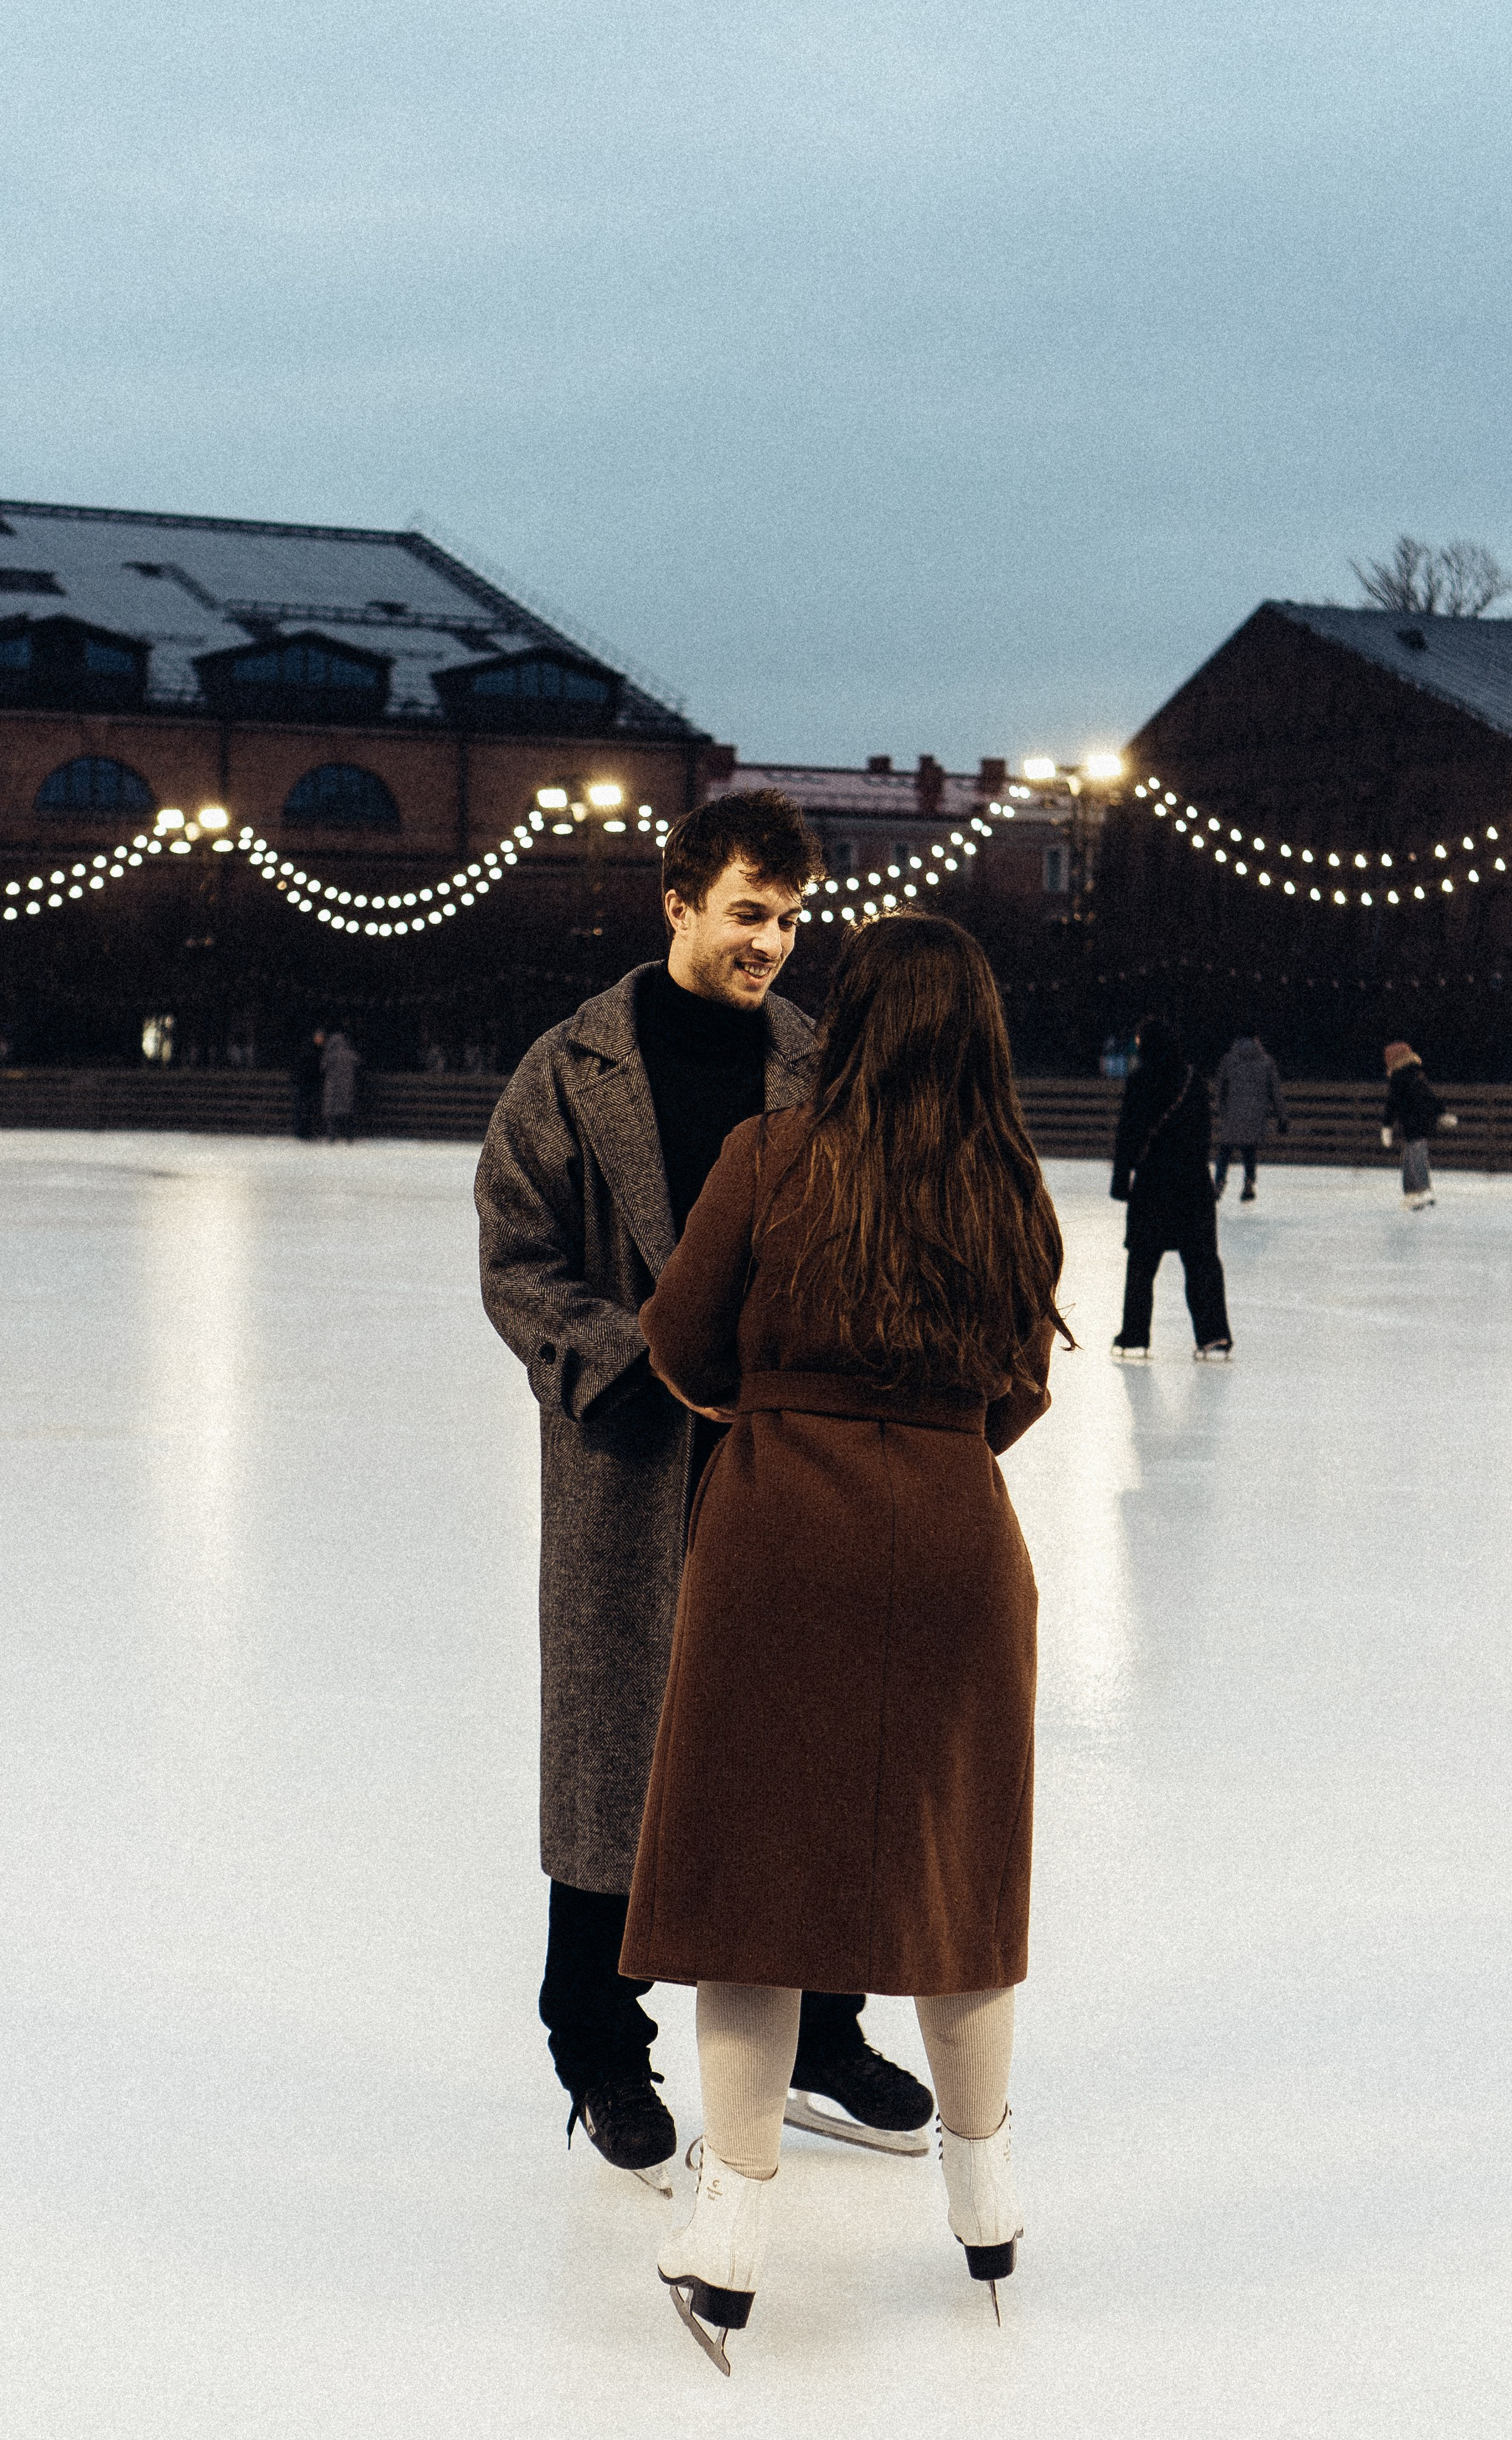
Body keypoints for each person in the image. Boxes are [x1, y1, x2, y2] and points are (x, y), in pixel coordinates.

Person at [619, 914, 1067, 2368]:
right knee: (952, 1867)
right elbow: (1016, 1396)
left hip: (778, 1546)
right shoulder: (1008, 1187)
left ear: (850, 1024)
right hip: (950, 1547)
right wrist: (926, 1437)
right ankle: (984, 2196)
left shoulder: (767, 1156)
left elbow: (680, 1346)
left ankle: (731, 2232)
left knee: (749, 1883)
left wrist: (792, 1404)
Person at [475, 794, 934, 2196]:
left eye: (789, 921)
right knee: (621, 1753)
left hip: (790, 1463)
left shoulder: (817, 1062)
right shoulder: (569, 1069)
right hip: (625, 1464)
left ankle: (815, 2032)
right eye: (748, 914)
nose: (772, 947)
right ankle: (599, 2048)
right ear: (675, 904)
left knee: (801, 1752)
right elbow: (518, 1262)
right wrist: (637, 1361)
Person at [1110, 1017, 1232, 1359]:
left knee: (1142, 1264)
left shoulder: (1140, 1081)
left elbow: (1128, 1135)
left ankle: (1135, 1335)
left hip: (1153, 1186)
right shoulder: (1194, 1082)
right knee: (1203, 1262)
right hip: (1193, 1185)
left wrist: (1122, 1181)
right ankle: (1214, 1336)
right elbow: (1204, 1133)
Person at [1212, 1031, 1288, 1201]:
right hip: (1256, 1114)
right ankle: (1248, 1182)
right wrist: (1282, 1117)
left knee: (1225, 1150)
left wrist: (1222, 1110)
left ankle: (1219, 1182)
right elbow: (1275, 1091)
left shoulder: (1229, 1060)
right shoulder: (1266, 1061)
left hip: (1233, 1113)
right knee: (1249, 1150)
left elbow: (1220, 1088)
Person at [1381, 1041, 1458, 1209]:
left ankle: (1424, 1190)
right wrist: (1441, 1113)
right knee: (1410, 1156)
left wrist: (1387, 1126)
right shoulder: (1416, 1074)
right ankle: (1412, 1194)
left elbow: (1392, 1102)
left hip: (1414, 1123)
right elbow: (1430, 1096)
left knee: (1416, 1156)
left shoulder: (1399, 1077)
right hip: (1422, 1121)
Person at [320, 1026, 360, 1142]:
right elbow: (358, 1063)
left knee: (332, 1112)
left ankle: (332, 1136)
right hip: (347, 1087)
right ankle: (349, 1136)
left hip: (332, 1087)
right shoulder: (349, 1054)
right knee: (346, 1111)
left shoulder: (330, 1055)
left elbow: (322, 1068)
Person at [292, 1028, 325, 1139]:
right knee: (304, 1109)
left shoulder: (315, 1050)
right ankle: (302, 1132)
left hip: (309, 1084)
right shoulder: (310, 1051)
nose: (321, 1040)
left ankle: (306, 1131)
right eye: (319, 1037)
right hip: (305, 1084)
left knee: (308, 1109)